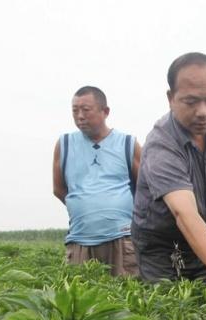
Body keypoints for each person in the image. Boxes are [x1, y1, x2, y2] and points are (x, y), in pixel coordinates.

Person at [131, 52, 206, 298]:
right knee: (169, 308)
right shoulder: (161, 145)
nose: (204, 112)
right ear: (171, 98)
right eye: (191, 101)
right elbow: (183, 211)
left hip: (202, 231)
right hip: (160, 244)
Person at [52, 86, 142, 277]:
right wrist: (85, 208)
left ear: (105, 111)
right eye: (75, 111)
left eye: (86, 109)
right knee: (79, 298)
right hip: (80, 238)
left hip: (122, 238)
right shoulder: (65, 144)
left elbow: (145, 187)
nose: (80, 116)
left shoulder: (127, 143)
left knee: (126, 296)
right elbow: (59, 189)